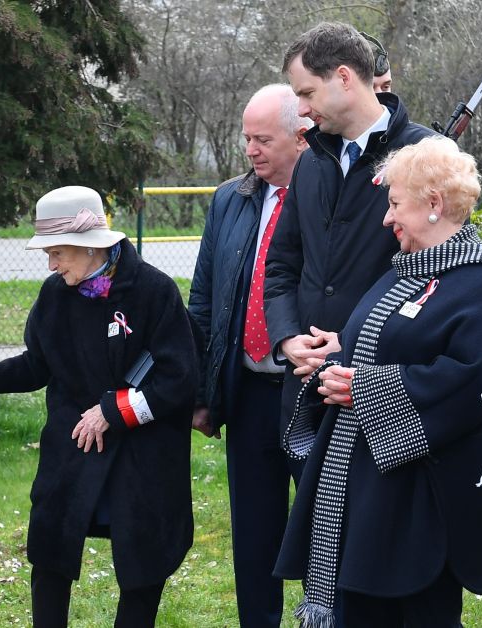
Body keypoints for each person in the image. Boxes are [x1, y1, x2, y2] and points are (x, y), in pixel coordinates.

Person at [274, 136, 482, 627]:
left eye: (393, 204)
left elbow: (475, 381)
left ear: (434, 204)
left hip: (419, 509)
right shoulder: (407, 270)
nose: (387, 218)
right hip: (367, 494)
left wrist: (364, 388)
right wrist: (339, 350)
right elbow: (385, 341)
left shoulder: (481, 279)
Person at [0, 186, 196, 627]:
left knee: (143, 564)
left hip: (143, 458)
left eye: (58, 253)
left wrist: (111, 412)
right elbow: (38, 364)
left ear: (89, 245)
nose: (52, 265)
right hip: (73, 448)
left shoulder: (153, 291)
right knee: (50, 553)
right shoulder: (55, 294)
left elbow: (179, 379)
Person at [265, 21, 434, 430]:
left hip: (377, 395)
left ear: (343, 78)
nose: (301, 109)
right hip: (306, 390)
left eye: (307, 93)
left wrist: (353, 342)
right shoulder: (310, 161)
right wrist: (289, 339)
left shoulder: (426, 154)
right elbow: (282, 265)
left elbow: (438, 283)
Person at [187, 84, 311, 627]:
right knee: (254, 541)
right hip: (247, 396)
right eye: (246, 139)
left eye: (263, 139)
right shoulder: (229, 200)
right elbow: (203, 302)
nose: (252, 151)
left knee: (320, 533)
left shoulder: (329, 202)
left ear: (300, 136)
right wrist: (202, 394)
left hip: (310, 397)